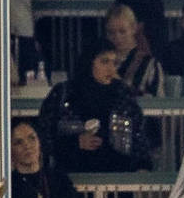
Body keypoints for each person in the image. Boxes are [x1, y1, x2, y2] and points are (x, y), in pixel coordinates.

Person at [37, 40, 154, 175]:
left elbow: (138, 133)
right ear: (89, 62)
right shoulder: (64, 93)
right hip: (72, 178)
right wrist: (75, 143)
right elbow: (44, 135)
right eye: (104, 62)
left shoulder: (123, 93)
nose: (111, 69)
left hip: (118, 179)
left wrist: (142, 165)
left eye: (114, 63)